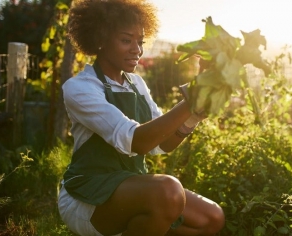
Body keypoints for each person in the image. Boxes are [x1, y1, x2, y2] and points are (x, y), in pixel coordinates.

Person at [57, 0, 225, 235]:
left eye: (140, 41)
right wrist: (193, 98)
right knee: (168, 191)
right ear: (100, 40)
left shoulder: (136, 83)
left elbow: (161, 143)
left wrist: (193, 116)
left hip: (130, 187)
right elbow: (137, 141)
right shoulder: (80, 88)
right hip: (88, 195)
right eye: (126, 40)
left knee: (212, 217)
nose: (137, 49)